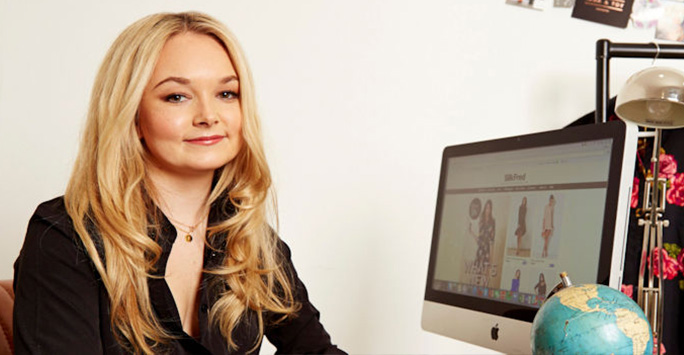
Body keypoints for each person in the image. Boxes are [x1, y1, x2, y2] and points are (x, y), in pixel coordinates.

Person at [13, 12, 343, 354]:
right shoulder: (64, 237)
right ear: (132, 115)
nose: (208, 116)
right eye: (177, 96)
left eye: (227, 93)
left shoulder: (249, 240)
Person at [469, 199, 496, 272]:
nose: (488, 210)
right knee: (477, 272)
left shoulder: (492, 221)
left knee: (484, 271)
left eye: (489, 208)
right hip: (480, 249)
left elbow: (492, 240)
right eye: (486, 207)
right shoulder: (481, 220)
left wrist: (491, 257)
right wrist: (471, 232)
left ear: (491, 209)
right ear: (484, 208)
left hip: (487, 249)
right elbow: (479, 238)